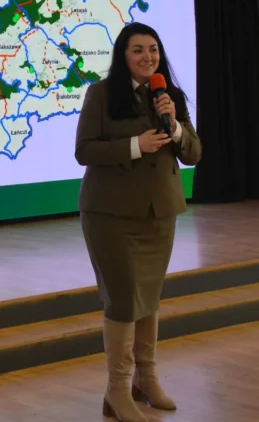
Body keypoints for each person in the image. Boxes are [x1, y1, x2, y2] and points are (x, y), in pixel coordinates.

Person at [74, 22, 201, 422]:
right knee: (124, 300)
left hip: (159, 213)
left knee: (148, 299)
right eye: (138, 50)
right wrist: (135, 145)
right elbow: (84, 151)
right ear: (123, 56)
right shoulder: (101, 94)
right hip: (111, 215)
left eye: (153, 49)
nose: (148, 57)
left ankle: (146, 378)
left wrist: (174, 125)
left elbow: (193, 153)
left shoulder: (169, 96)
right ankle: (117, 389)